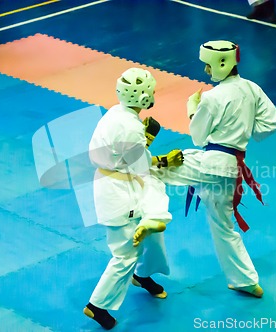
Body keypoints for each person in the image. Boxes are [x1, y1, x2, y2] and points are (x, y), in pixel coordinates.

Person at [155, 40, 276, 298]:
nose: (206, 72)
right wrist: (244, 129)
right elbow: (270, 123)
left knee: (155, 168)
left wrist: (193, 111)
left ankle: (141, 249)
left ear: (222, 63)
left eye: (208, 66)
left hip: (212, 164)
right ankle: (245, 281)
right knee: (223, 226)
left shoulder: (212, 98)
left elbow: (198, 138)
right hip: (231, 167)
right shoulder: (252, 88)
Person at [84, 67, 184, 330]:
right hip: (118, 193)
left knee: (152, 233)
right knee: (126, 253)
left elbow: (131, 156)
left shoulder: (117, 113)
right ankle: (97, 305)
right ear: (144, 97)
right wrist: (163, 158)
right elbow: (141, 166)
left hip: (119, 182)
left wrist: (145, 142)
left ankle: (143, 275)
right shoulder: (131, 128)